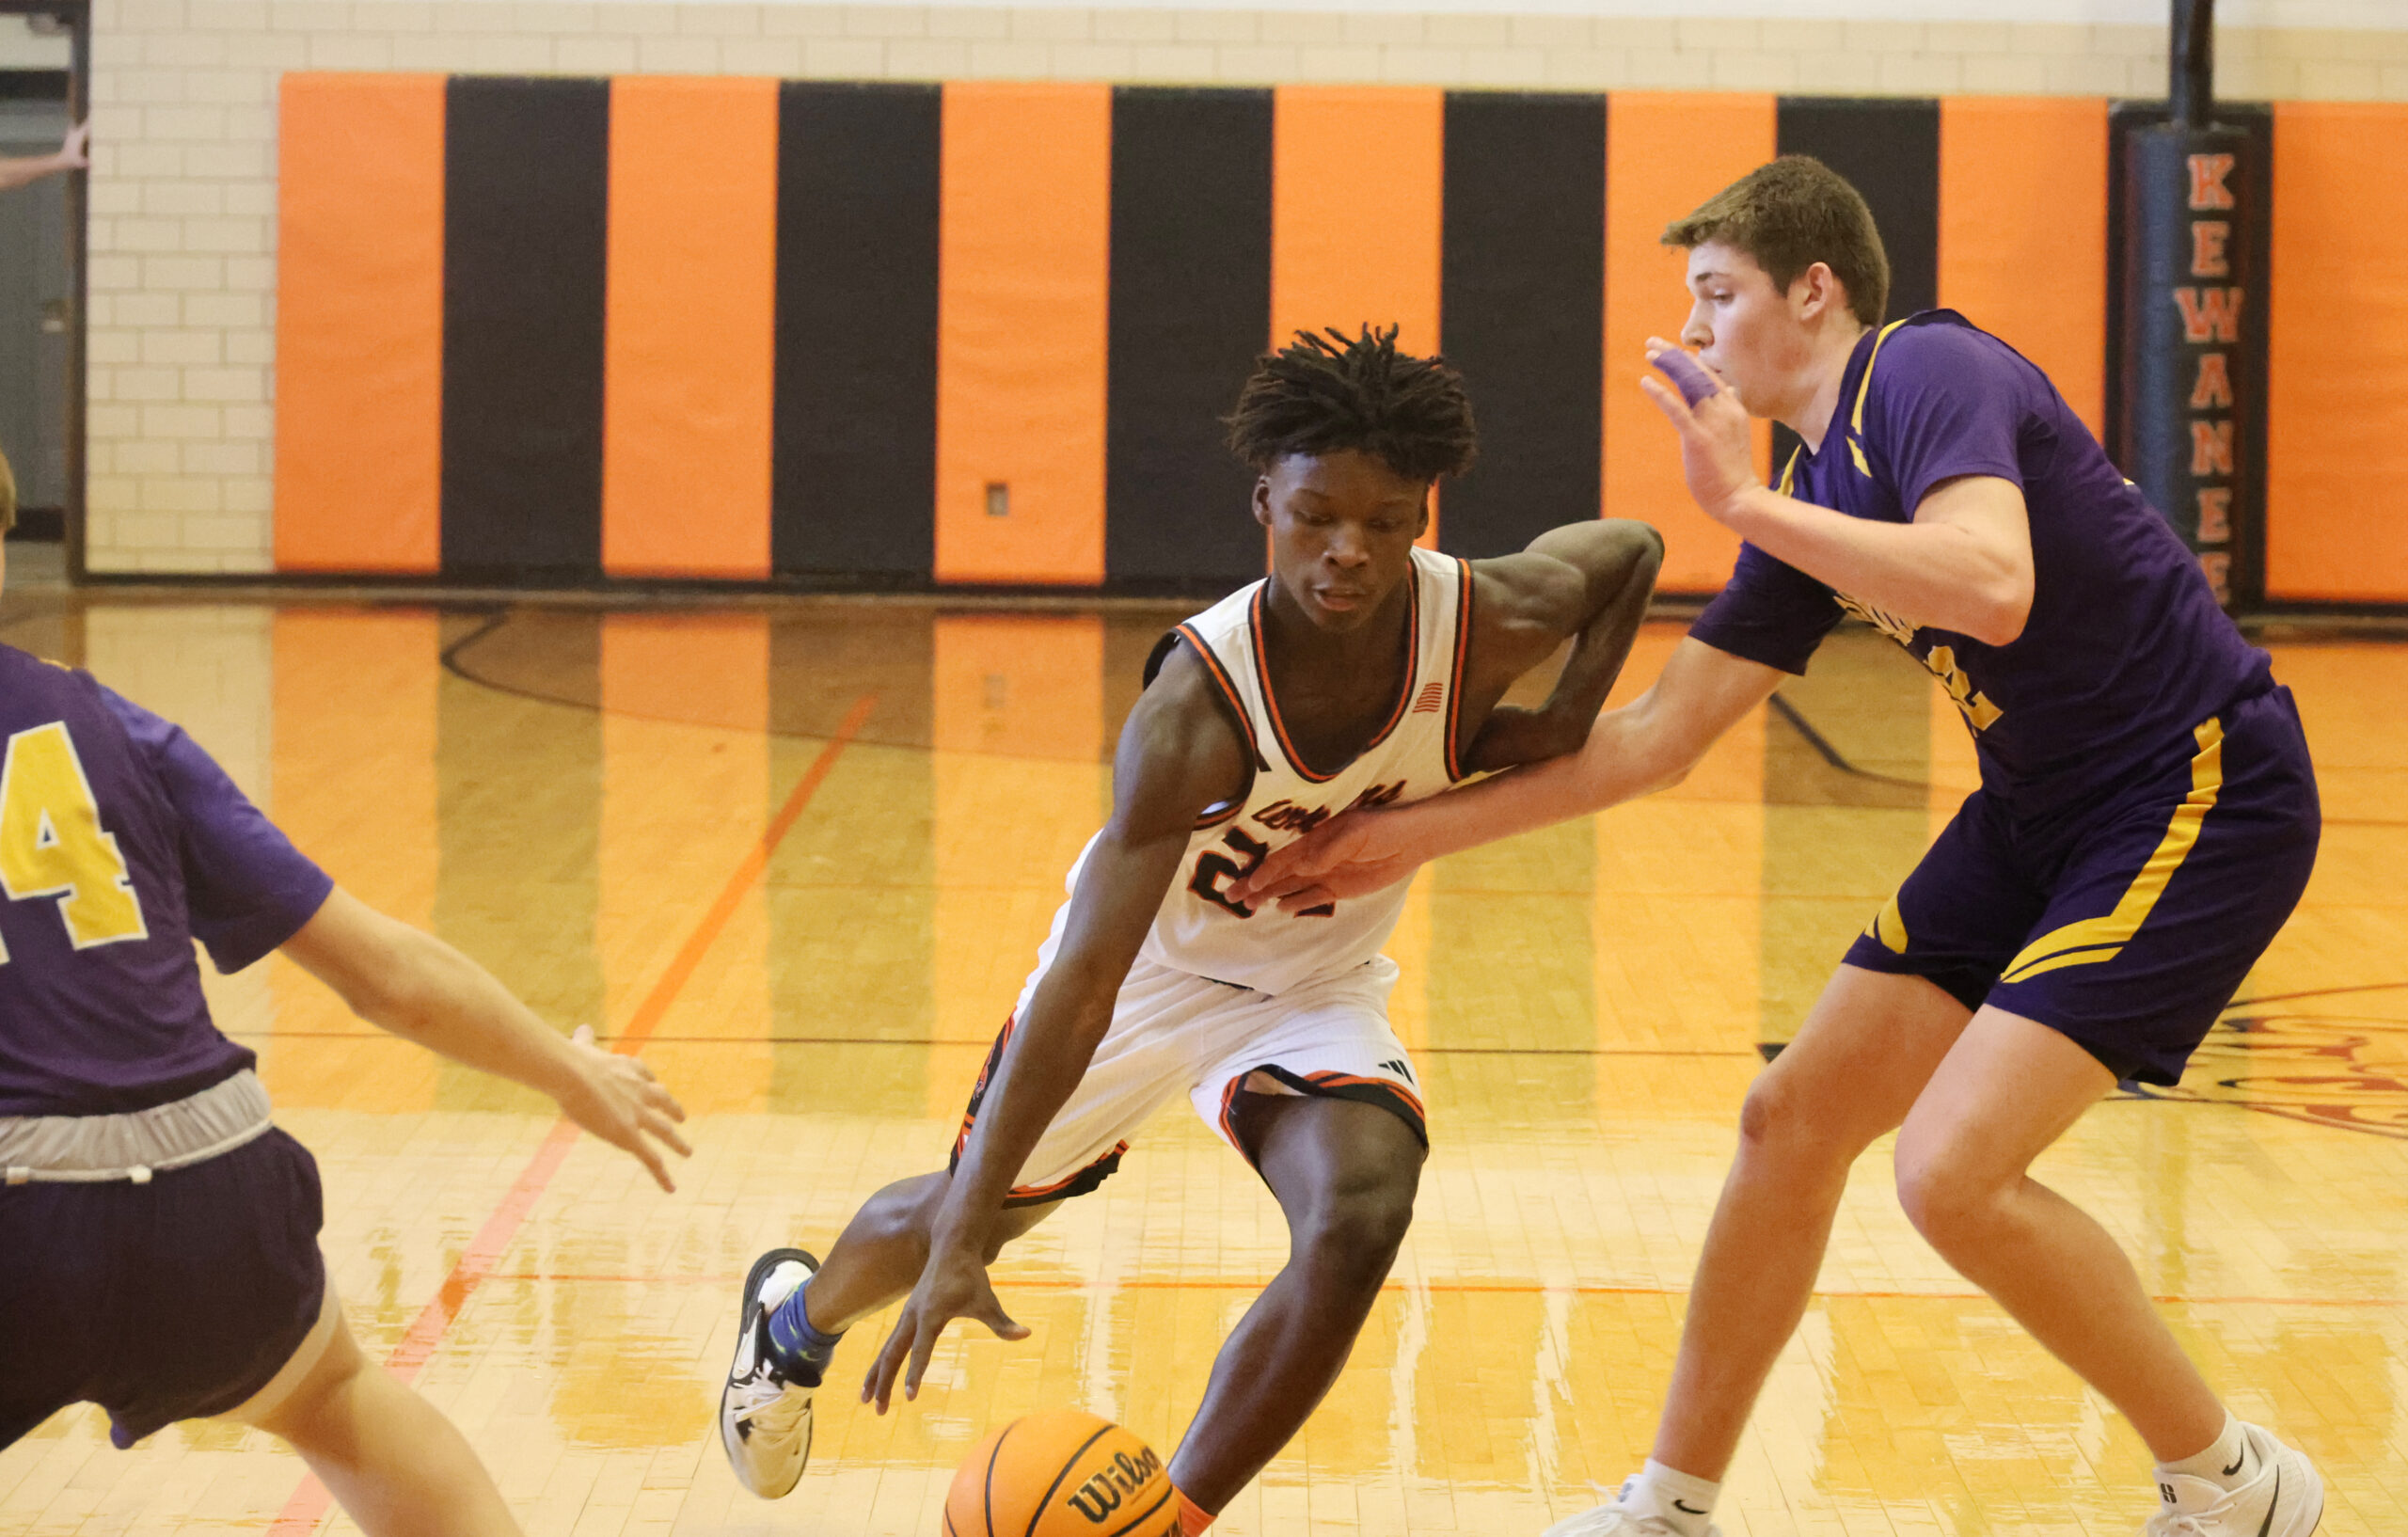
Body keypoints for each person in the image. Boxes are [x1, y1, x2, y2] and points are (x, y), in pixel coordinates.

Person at [1233, 159, 2324, 1537]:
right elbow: (1654, 738)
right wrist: (1393, 839)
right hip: (2040, 808)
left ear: (1815, 291)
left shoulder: (1925, 370)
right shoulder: (1816, 489)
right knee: (1788, 1120)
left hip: (2198, 786)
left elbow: (1994, 585)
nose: (1693, 329)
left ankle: (2234, 1485)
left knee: (1949, 1174)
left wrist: (1743, 503)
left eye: (1717, 292)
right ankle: (1670, 1506)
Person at [717, 326, 1666, 1532]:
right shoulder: (1194, 712)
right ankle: (790, 1328)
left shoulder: (1483, 615)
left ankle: (1177, 1519)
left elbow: (1632, 552)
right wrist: (965, 1234)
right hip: (1149, 977)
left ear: (1422, 516)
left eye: (1383, 521)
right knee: (962, 1216)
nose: (1347, 549)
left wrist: (1557, 723)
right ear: (1264, 499)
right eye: (1316, 515)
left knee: (1362, 1209)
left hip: (1311, 984)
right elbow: (1085, 978)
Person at [0, 453, 693, 1536]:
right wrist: (569, 1069)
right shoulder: (113, 727)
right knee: (333, 1396)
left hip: (20, 1203)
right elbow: (388, 975)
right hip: (210, 1180)